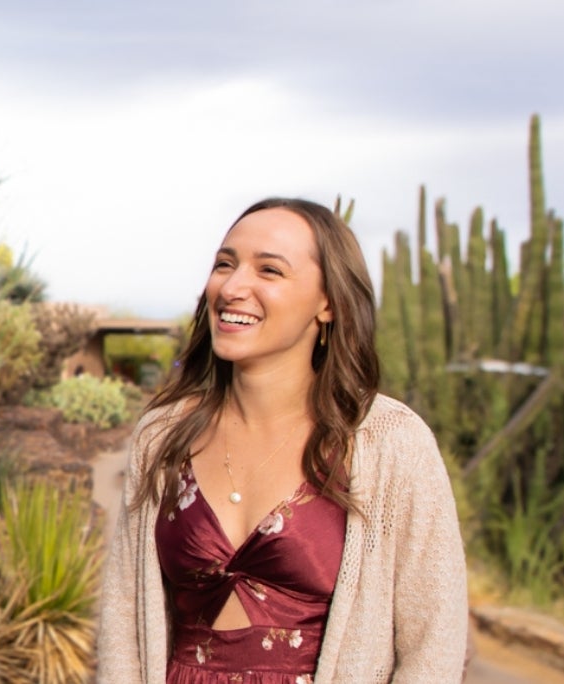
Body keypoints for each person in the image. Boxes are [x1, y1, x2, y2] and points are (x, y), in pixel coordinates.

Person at [95, 198, 467, 683]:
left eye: (269, 270)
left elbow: (433, 645)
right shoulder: (162, 436)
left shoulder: (390, 442)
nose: (232, 287)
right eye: (224, 264)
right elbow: (123, 615)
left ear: (328, 303)